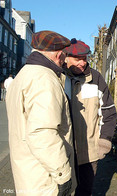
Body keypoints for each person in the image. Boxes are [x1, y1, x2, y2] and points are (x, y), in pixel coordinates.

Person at [5, 30, 77, 196]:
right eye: (65, 55)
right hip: (45, 177)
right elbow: (42, 132)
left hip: (28, 170)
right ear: (59, 54)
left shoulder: (23, 75)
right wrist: (63, 176)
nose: (65, 60)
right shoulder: (44, 79)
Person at [63, 38, 117, 196]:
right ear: (66, 57)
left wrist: (104, 142)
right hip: (62, 152)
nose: (82, 63)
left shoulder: (96, 78)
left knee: (85, 192)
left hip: (89, 153)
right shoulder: (57, 77)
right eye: (77, 59)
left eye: (84, 58)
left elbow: (109, 112)